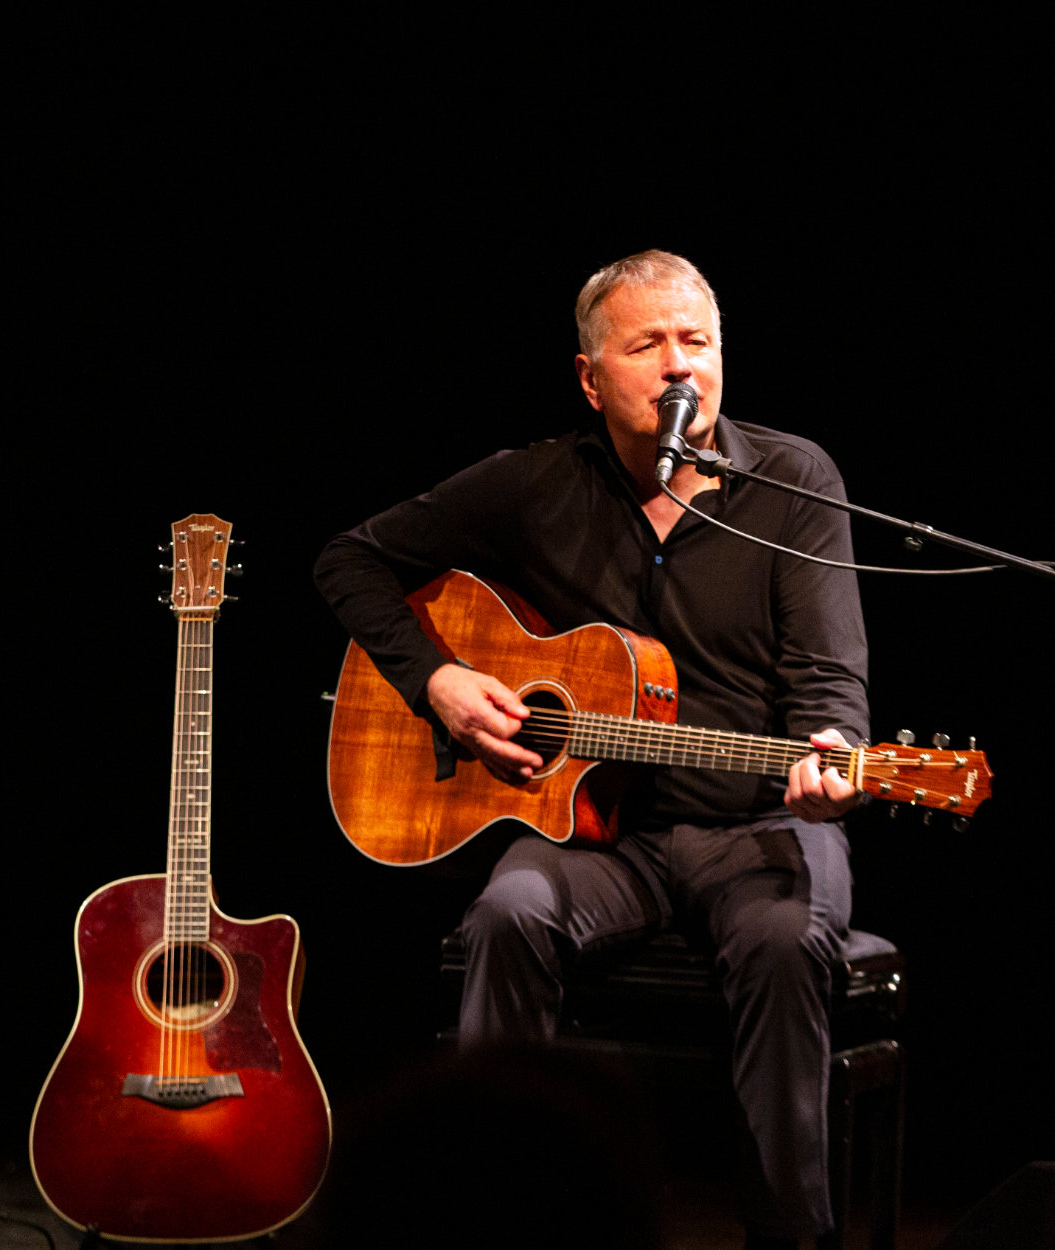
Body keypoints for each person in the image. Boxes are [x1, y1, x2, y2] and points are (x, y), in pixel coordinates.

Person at [314, 250, 868, 1248]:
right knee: (508, 915)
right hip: (599, 833)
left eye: (697, 341)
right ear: (590, 378)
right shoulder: (534, 484)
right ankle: (484, 1220)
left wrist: (834, 755)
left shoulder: (795, 480)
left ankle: (790, 1236)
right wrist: (437, 681)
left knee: (785, 942)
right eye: (647, 344)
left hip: (755, 825)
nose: (679, 365)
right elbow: (349, 559)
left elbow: (830, 680)